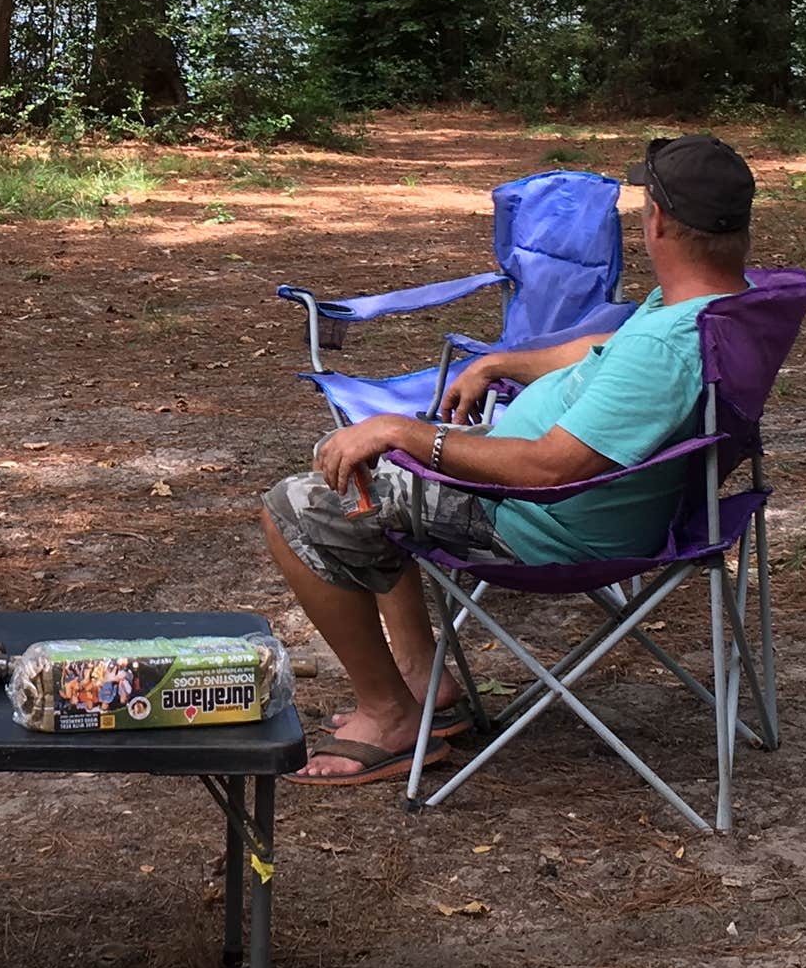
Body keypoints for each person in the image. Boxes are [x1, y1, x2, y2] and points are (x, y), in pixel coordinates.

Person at [261, 135, 755, 786]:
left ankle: (390, 715)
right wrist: (498, 362)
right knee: (373, 480)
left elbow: (550, 468)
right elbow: (604, 346)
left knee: (300, 504)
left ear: (656, 220)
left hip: (545, 524)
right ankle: (420, 682)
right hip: (585, 505)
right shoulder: (711, 304)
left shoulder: (668, 347)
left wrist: (411, 437)